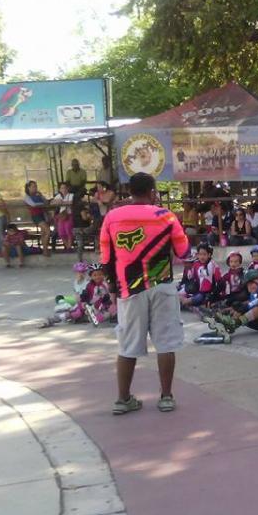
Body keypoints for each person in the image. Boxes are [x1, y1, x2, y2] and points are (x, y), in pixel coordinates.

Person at [99, 172, 191, 415]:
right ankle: (166, 397)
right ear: (152, 192)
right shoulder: (166, 216)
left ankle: (123, 399)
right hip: (161, 286)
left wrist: (112, 287)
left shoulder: (112, 217)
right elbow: (183, 251)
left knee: (127, 344)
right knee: (166, 342)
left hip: (128, 289)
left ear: (130, 191)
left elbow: (106, 258)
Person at [23, 180, 51, 256]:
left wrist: (41, 196)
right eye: (33, 187)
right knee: (48, 231)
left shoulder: (38, 195)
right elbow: (33, 205)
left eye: (36, 186)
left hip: (42, 214)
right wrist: (42, 204)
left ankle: (45, 249)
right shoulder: (26, 197)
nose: (35, 188)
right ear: (28, 188)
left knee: (44, 233)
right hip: (36, 215)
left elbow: (46, 203)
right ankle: (45, 249)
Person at [50, 182, 75, 251]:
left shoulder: (71, 195)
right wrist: (57, 201)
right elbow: (51, 202)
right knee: (61, 232)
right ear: (60, 189)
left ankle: (69, 247)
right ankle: (67, 247)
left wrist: (61, 202)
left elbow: (71, 202)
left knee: (68, 230)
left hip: (69, 214)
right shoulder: (58, 196)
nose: (63, 189)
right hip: (61, 216)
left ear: (68, 188)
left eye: (65, 188)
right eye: (62, 188)